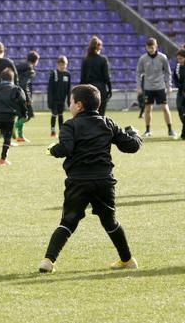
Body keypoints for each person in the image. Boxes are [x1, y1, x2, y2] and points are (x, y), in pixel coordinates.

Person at [39, 84, 142, 273]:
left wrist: (52, 150)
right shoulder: (107, 123)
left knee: (68, 222)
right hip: (104, 181)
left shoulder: (70, 125)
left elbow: (65, 149)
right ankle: (127, 260)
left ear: (79, 105)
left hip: (78, 181)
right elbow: (132, 146)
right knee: (110, 221)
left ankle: (48, 261)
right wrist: (134, 134)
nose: (69, 105)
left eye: (71, 102)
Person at [136, 37, 175, 137]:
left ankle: (170, 129)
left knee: (165, 108)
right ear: (146, 47)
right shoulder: (143, 59)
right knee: (148, 109)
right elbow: (138, 73)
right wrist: (139, 86)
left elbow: (168, 72)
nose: (150, 50)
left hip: (160, 87)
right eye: (149, 48)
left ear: (156, 47)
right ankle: (148, 130)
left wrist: (168, 85)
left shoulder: (163, 57)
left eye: (152, 48)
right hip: (148, 88)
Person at [80, 36, 112, 116]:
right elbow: (106, 77)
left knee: (89, 114)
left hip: (88, 89)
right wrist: (110, 89)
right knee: (101, 114)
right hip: (100, 88)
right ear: (99, 47)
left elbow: (82, 78)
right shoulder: (103, 59)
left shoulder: (85, 60)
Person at [14, 50, 39, 142]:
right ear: (36, 61)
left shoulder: (20, 66)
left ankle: (20, 136)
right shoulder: (30, 69)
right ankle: (13, 127)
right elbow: (24, 84)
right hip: (22, 95)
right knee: (28, 115)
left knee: (21, 115)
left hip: (15, 92)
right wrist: (28, 98)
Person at [47, 56, 71, 137]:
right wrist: (49, 101)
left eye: (64, 64)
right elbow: (50, 88)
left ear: (66, 64)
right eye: (60, 64)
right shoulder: (54, 73)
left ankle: (61, 131)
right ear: (57, 64)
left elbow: (68, 89)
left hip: (62, 99)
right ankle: (53, 131)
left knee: (61, 114)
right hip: (54, 100)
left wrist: (68, 101)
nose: (62, 66)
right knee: (54, 114)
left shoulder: (67, 75)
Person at [173, 48, 185, 139]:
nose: (179, 60)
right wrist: (180, 86)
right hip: (181, 92)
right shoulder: (177, 67)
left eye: (181, 58)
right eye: (178, 58)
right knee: (180, 110)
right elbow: (175, 78)